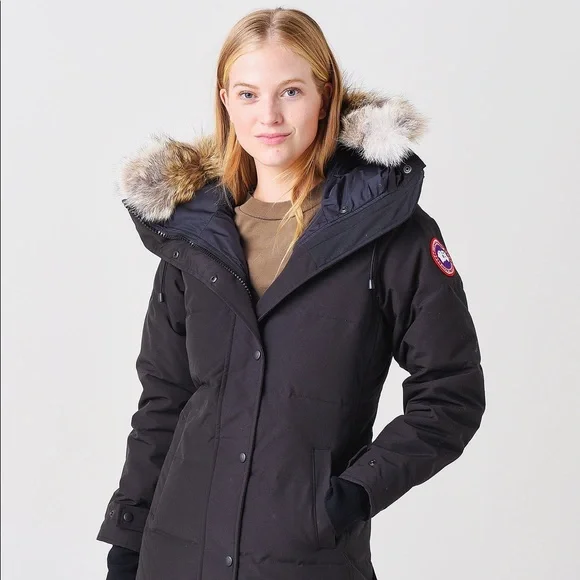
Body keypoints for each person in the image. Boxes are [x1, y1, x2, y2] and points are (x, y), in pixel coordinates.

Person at [96, 7, 486, 580]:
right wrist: (128, 540)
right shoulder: (196, 235)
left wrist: (354, 494)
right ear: (225, 102)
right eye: (248, 94)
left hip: (306, 557)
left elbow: (451, 391)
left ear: (325, 95)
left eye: (291, 91)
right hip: (177, 553)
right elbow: (164, 398)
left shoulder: (387, 232)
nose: (269, 115)